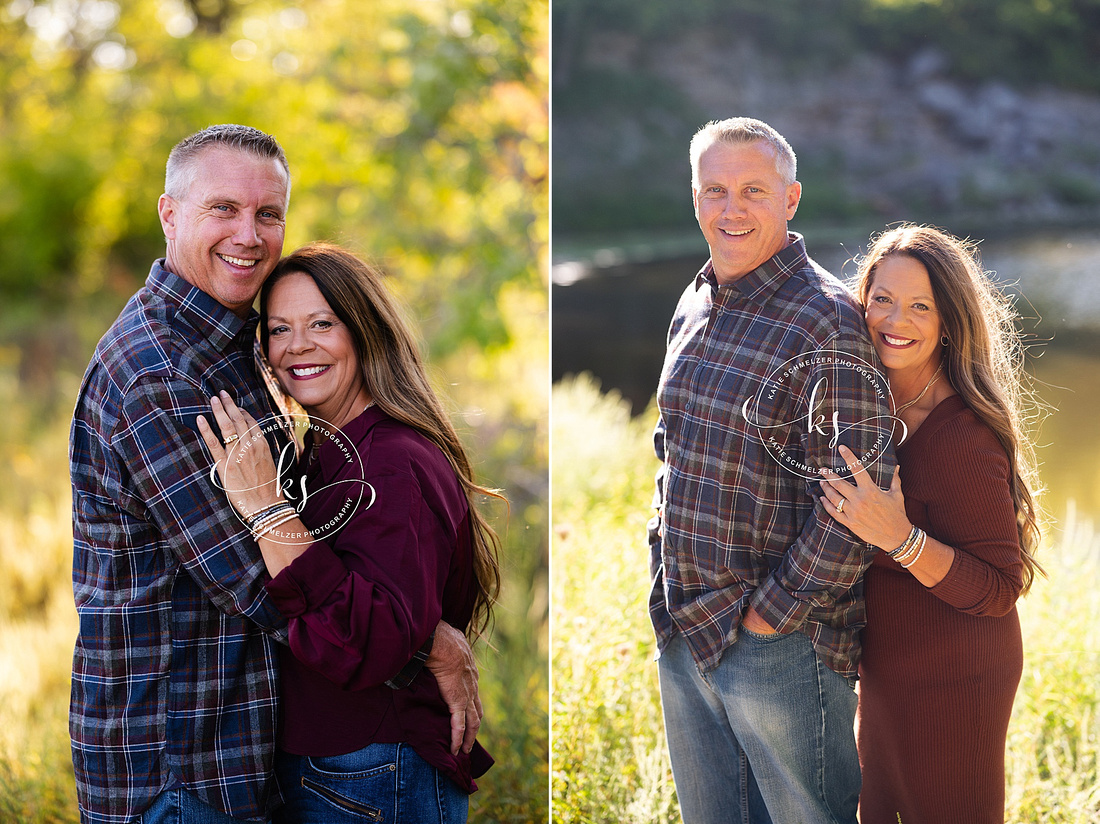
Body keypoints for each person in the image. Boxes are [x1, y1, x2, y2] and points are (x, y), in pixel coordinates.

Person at [69, 125, 479, 824]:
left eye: (268, 214)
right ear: (170, 215)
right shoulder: (163, 378)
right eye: (222, 209)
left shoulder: (228, 345)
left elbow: (293, 533)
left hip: (240, 754)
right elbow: (258, 580)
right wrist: (425, 640)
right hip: (181, 765)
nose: (250, 235)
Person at [196, 242, 500, 823]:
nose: (298, 346)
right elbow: (384, 602)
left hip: (375, 770)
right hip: (332, 762)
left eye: (321, 324)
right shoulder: (324, 451)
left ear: (363, 332)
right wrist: (430, 635)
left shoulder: (391, 459)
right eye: (279, 329)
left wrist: (267, 509)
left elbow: (369, 640)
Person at [648, 116, 896, 824]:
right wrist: (660, 571)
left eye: (753, 190)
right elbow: (673, 448)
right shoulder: (695, 302)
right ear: (694, 198)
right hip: (684, 626)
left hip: (783, 647)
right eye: (715, 190)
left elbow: (861, 497)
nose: (732, 209)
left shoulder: (827, 320)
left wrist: (768, 621)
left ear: (790, 199)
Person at [818, 224, 1043, 823]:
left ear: (949, 322)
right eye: (883, 299)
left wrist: (901, 538)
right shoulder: (869, 404)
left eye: (921, 306)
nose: (897, 319)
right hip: (887, 670)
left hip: (957, 679)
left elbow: (1001, 586)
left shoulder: (963, 438)